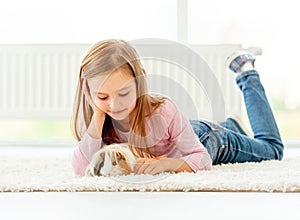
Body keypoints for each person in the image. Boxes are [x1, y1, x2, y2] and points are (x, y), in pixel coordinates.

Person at [71, 39, 284, 176]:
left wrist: (168, 164)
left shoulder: (163, 110)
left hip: (209, 140)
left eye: (124, 93)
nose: (114, 105)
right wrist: (98, 115)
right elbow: (81, 169)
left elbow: (202, 158)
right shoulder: (97, 121)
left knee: (272, 149)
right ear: (88, 93)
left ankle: (247, 73)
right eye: (102, 96)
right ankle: (231, 124)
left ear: (140, 81)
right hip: (183, 133)